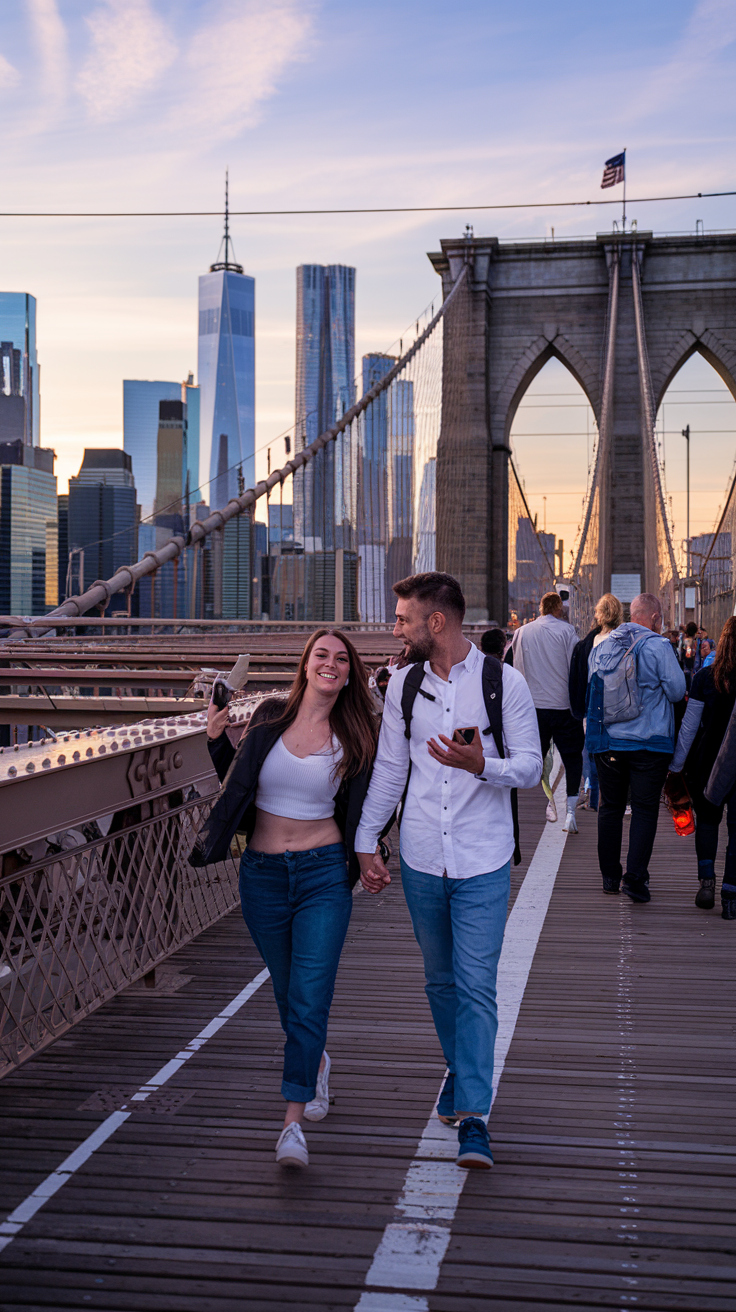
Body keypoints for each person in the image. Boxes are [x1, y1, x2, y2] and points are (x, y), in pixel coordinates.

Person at [354, 572, 542, 1170]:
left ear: (436, 622)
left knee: (476, 984)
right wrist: (366, 842)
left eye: (403, 618)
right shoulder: (403, 686)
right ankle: (462, 1073)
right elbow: (389, 771)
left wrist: (481, 763)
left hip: (483, 857)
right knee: (440, 983)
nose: (395, 628)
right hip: (421, 859)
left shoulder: (502, 682)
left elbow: (532, 768)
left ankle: (475, 1118)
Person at [190, 629, 382, 1168]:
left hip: (323, 874)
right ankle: (315, 1062)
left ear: (349, 673)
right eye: (321, 654)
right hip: (264, 876)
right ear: (305, 663)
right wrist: (214, 738)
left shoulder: (359, 732)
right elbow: (240, 785)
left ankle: (292, 1125)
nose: (330, 664)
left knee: (309, 995)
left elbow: (371, 803)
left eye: (341, 659)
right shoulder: (270, 716)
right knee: (289, 990)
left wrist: (373, 853)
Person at [587, 592, 686, 901]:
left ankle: (609, 877)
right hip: (649, 744)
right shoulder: (658, 646)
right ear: (655, 618)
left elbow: (593, 691)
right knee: (644, 810)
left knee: (611, 807)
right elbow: (676, 691)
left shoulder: (603, 646)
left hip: (609, 744)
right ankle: (635, 879)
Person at [668, 616, 736, 918]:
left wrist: (676, 766)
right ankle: (731, 892)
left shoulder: (704, 678)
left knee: (707, 821)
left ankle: (706, 882)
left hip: (707, 763)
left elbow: (689, 728)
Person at [511, 590, 583, 831]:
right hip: (563, 707)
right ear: (559, 609)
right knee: (573, 760)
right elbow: (576, 668)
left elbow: (516, 671)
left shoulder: (520, 632)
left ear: (540, 608)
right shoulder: (567, 632)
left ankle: (545, 802)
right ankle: (570, 811)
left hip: (533, 709)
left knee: (532, 759)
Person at [569, 594, 624, 812]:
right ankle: (615, 798)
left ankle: (594, 799)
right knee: (616, 749)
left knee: (592, 749)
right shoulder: (625, 639)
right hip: (619, 701)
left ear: (601, 614)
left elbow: (584, 676)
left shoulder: (588, 643)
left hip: (593, 699)